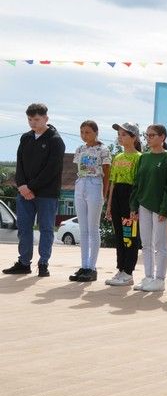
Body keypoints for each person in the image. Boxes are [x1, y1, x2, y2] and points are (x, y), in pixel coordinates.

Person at [3, 103, 65, 278]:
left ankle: (43, 263)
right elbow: (19, 164)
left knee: (46, 228)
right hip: (24, 192)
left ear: (46, 118)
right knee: (24, 228)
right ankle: (24, 263)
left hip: (46, 193)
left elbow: (51, 169)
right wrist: (22, 186)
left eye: (36, 119)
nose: (33, 123)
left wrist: (31, 187)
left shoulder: (55, 140)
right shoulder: (26, 138)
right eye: (30, 119)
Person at [129, 124, 167, 292]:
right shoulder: (144, 158)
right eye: (147, 135)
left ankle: (160, 279)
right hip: (143, 205)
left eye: (152, 135)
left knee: (160, 244)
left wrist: (165, 209)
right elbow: (137, 184)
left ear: (162, 137)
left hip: (159, 208)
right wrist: (134, 206)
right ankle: (148, 277)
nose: (149, 138)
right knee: (146, 243)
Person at [69, 120, 111, 282]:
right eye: (82, 132)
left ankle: (92, 267)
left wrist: (104, 193)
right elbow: (78, 169)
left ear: (95, 132)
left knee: (93, 228)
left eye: (87, 132)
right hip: (81, 184)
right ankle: (84, 265)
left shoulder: (103, 149)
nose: (84, 135)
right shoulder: (80, 149)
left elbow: (107, 172)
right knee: (83, 228)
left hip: (95, 184)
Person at [105, 123, 142, 286]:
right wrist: (109, 204)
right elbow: (112, 182)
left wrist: (135, 206)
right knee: (119, 236)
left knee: (130, 235)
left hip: (130, 196)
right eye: (119, 134)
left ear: (134, 137)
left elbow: (139, 183)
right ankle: (120, 269)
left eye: (124, 134)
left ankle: (128, 272)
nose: (120, 137)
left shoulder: (140, 157)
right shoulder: (118, 157)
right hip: (117, 197)